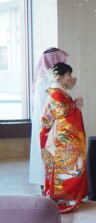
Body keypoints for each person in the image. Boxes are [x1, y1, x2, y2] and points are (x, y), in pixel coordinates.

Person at [39, 62, 88, 213]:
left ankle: (69, 196)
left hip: (62, 134)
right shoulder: (56, 93)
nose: (70, 77)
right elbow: (63, 114)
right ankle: (63, 198)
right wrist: (76, 107)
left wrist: (74, 105)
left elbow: (65, 110)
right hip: (62, 137)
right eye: (68, 75)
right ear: (59, 76)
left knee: (69, 167)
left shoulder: (59, 91)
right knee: (66, 167)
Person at [30, 47, 70, 188]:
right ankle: (48, 184)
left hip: (53, 123)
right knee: (48, 154)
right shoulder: (44, 82)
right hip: (49, 124)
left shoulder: (49, 81)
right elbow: (49, 106)